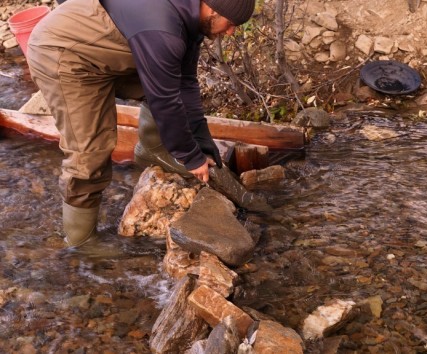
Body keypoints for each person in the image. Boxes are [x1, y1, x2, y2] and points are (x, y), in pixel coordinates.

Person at [26, 0, 255, 247]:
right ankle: (80, 242)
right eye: (230, 24)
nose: (231, 32)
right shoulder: (163, 29)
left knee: (167, 79)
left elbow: (185, 83)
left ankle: (152, 151)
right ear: (211, 9)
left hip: (108, 48)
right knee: (90, 151)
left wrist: (203, 143)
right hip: (64, 55)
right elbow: (164, 100)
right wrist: (190, 157)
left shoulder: (190, 21)